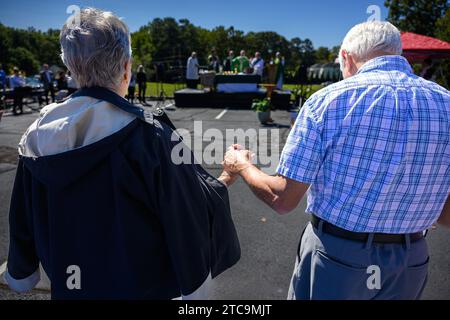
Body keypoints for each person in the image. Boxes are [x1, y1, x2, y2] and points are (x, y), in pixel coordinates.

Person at [5, 7, 240, 300]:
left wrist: (20, 270)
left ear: (71, 69)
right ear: (126, 68)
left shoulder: (35, 139)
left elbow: (21, 220)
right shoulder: (151, 137)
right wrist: (227, 176)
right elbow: (187, 217)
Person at [223, 21, 450, 300]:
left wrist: (242, 164)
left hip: (338, 256)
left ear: (347, 57)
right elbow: (447, 213)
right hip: (410, 260)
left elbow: (282, 199)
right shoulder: (445, 103)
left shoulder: (327, 102)